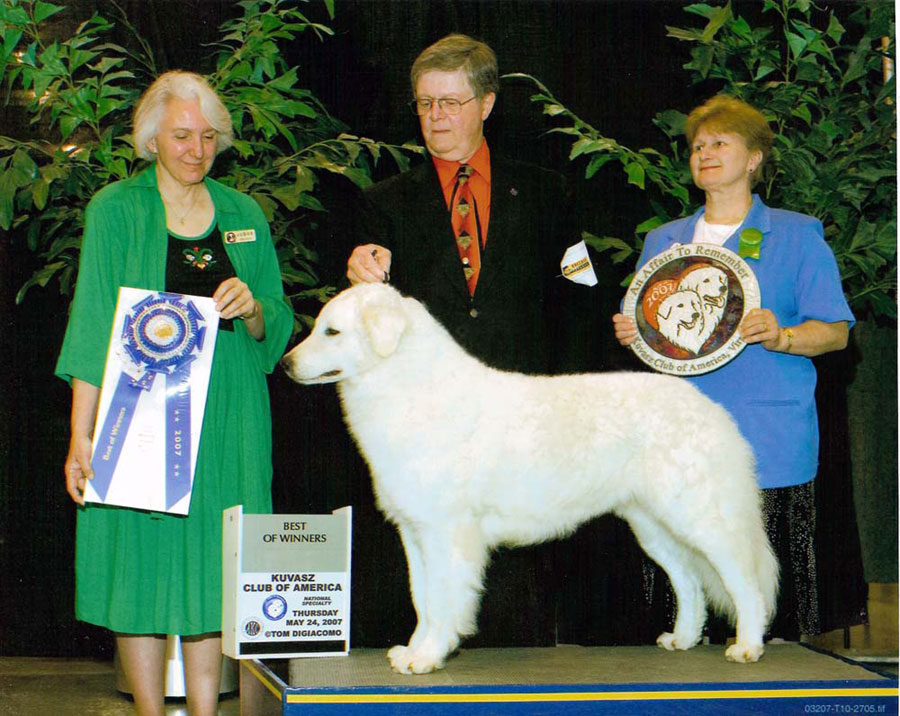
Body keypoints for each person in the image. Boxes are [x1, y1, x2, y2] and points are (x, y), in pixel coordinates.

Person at [329, 34, 601, 650]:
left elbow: (581, 299)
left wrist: (571, 400)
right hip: (430, 431)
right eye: (426, 105)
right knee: (434, 550)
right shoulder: (384, 204)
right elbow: (366, 320)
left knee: (520, 596)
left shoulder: (547, 193)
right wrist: (360, 269)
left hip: (524, 417)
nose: (436, 118)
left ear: (486, 104)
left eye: (451, 103)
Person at [56, 71, 292, 716]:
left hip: (230, 420)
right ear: (151, 138)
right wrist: (81, 435)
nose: (197, 148)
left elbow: (278, 315)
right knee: (139, 563)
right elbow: (92, 325)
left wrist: (253, 310)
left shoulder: (244, 214)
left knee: (216, 567)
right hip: (138, 417)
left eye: (208, 136)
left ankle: (208, 712)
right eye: (182, 135)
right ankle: (151, 713)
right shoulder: (114, 209)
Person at [612, 95, 854, 641]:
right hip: (677, 436)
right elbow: (654, 330)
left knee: (769, 610)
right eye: (698, 146)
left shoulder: (797, 235)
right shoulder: (663, 241)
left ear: (754, 159)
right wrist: (634, 333)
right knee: (679, 574)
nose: (706, 153)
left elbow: (836, 332)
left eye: (721, 143)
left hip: (764, 437)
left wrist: (783, 335)